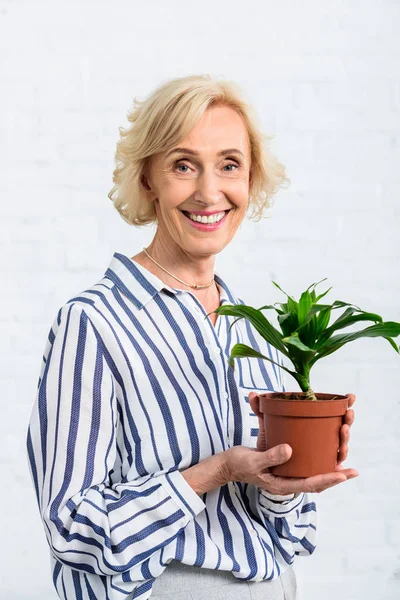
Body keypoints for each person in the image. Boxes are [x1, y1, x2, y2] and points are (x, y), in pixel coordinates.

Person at [26, 74, 357, 600]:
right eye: (184, 165)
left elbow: (284, 526)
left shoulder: (256, 328)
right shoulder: (94, 322)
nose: (209, 192)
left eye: (230, 165)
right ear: (149, 179)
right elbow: (71, 526)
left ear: (251, 180)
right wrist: (214, 471)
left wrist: (287, 480)